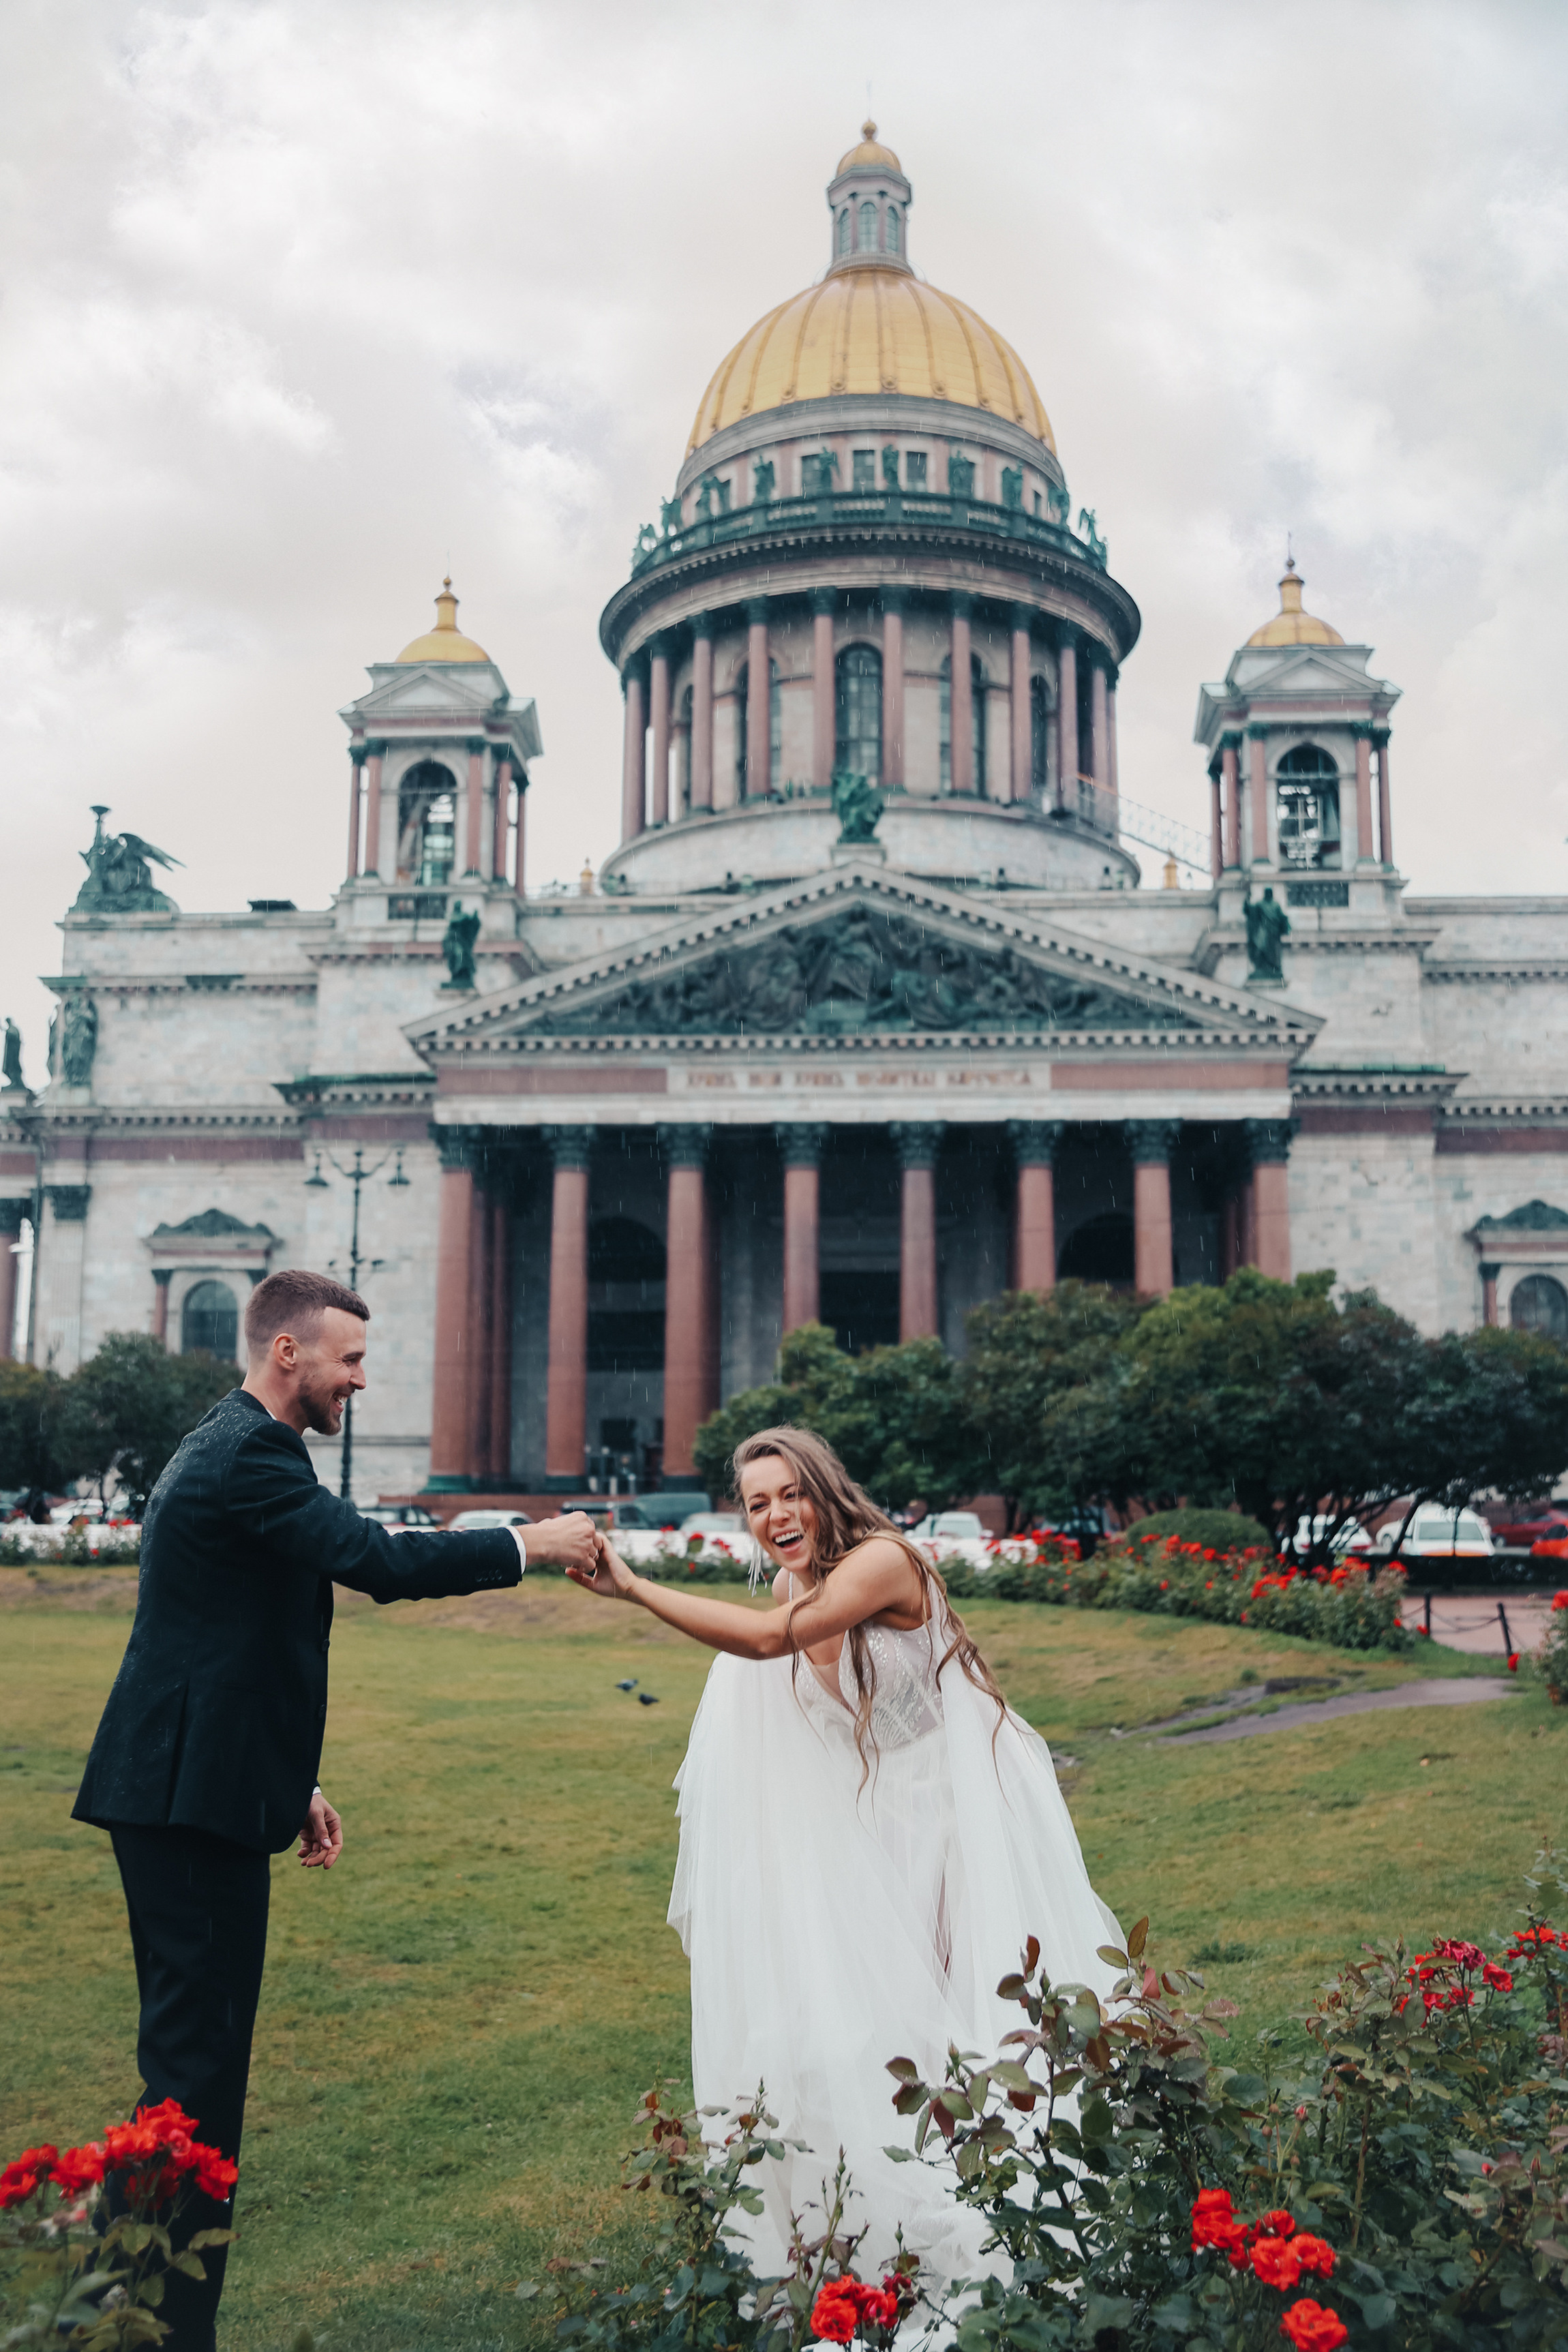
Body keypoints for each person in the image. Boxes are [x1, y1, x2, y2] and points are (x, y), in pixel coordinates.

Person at [73, 1268, 596, 2352]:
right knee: (192, 2085)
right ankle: (142, 2327)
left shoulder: (224, 1442)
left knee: (187, 2077)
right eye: (350, 1358)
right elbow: (377, 1561)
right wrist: (526, 1543)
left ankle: (122, 2315)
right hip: (187, 1806)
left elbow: (214, 1633)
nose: (362, 1377)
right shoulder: (253, 1451)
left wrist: (286, 1780)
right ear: (289, 1355)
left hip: (194, 1790)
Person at [570, 1426, 1119, 2288]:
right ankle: (885, 2218)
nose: (776, 1515)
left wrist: (634, 1586)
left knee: (970, 2007)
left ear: (824, 1487)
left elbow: (763, 1641)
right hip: (874, 1820)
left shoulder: (881, 1561)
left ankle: (1009, 2211)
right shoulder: (793, 1582)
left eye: (789, 1492)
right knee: (876, 2021)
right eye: (756, 1503)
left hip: (957, 1805)